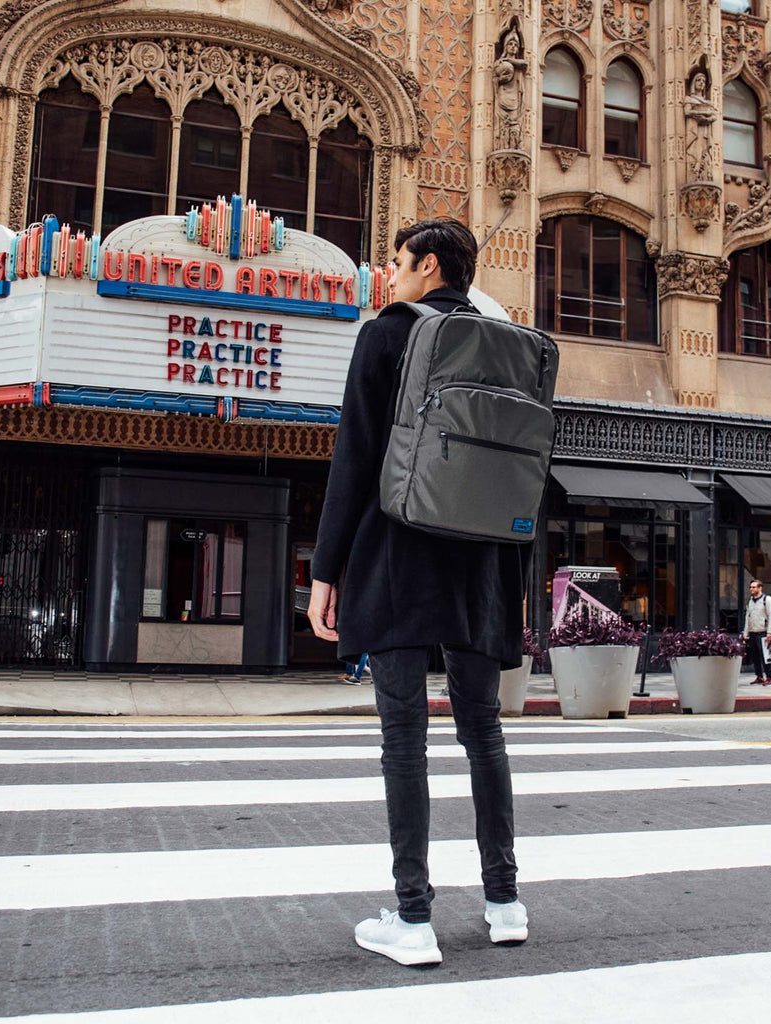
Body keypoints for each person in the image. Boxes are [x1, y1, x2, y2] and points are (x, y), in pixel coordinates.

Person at [307, 217, 529, 967]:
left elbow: (355, 457)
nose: (388, 275)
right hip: (481, 567)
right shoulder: (506, 340)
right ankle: (504, 902)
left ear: (429, 266)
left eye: (396, 263)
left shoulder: (385, 333)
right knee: (484, 734)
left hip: (397, 553)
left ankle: (413, 917)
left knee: (404, 738)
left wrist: (325, 572)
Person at [743, 579, 771, 685]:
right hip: (753, 632)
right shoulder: (750, 601)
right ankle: (759, 676)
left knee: (765, 656)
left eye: (754, 587)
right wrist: (745, 633)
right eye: (750, 587)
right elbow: (748, 618)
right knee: (755, 656)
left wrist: (770, 632)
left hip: (763, 632)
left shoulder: (767, 600)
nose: (751, 589)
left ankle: (769, 677)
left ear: (760, 588)